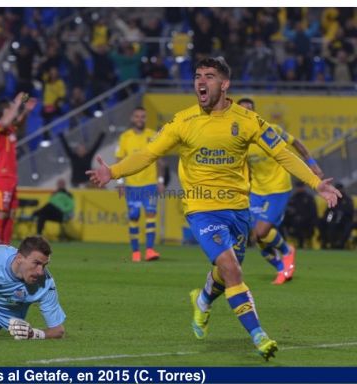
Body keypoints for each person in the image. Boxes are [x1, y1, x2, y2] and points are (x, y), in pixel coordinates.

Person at [87, 57, 341, 360]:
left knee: (224, 273)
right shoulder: (183, 121)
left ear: (225, 84)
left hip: (237, 210)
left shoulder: (248, 120)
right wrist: (112, 172)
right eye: (197, 76)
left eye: (209, 76)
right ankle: (259, 336)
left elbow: (282, 154)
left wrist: (316, 182)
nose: (201, 82)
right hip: (201, 209)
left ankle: (203, 300)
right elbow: (147, 153)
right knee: (232, 269)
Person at [238, 98, 324, 284]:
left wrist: (312, 163)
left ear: (255, 113)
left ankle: (287, 251)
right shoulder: (240, 141)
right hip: (256, 192)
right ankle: (282, 268)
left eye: (250, 111)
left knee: (261, 232)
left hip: (278, 189)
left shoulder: (270, 130)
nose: (247, 115)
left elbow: (296, 143)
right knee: (258, 239)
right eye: (242, 111)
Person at [115, 107, 165, 262]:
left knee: (151, 216)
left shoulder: (152, 135)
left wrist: (161, 180)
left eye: (143, 116)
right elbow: (119, 160)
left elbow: (160, 160)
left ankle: (150, 250)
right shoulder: (125, 137)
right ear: (132, 118)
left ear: (145, 118)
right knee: (134, 216)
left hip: (149, 183)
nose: (140, 119)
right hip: (131, 184)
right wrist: (120, 181)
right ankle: (135, 252)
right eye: (137, 116)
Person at [0, 92, 37, 245]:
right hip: (1, 175)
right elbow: (6, 122)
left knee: (11, 214)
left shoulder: (10, 130)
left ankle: (6, 247)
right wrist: (17, 103)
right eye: (11, 108)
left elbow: (18, 122)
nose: (14, 111)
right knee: (1, 213)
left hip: (11, 176)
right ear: (5, 111)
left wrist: (26, 111)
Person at [282, 182, 318, 249]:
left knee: (306, 235)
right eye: (298, 187)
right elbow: (288, 211)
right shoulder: (293, 198)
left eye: (301, 187)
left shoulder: (309, 198)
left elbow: (313, 212)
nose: (299, 189)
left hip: (306, 222)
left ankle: (305, 247)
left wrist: (307, 220)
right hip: (294, 223)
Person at [319, 183, 354, 249]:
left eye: (340, 189)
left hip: (345, 220)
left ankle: (341, 243)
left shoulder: (348, 200)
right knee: (324, 222)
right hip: (334, 219)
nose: (339, 191)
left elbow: (350, 213)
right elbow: (329, 211)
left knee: (348, 226)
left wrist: (341, 213)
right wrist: (328, 218)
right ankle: (327, 241)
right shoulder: (333, 199)